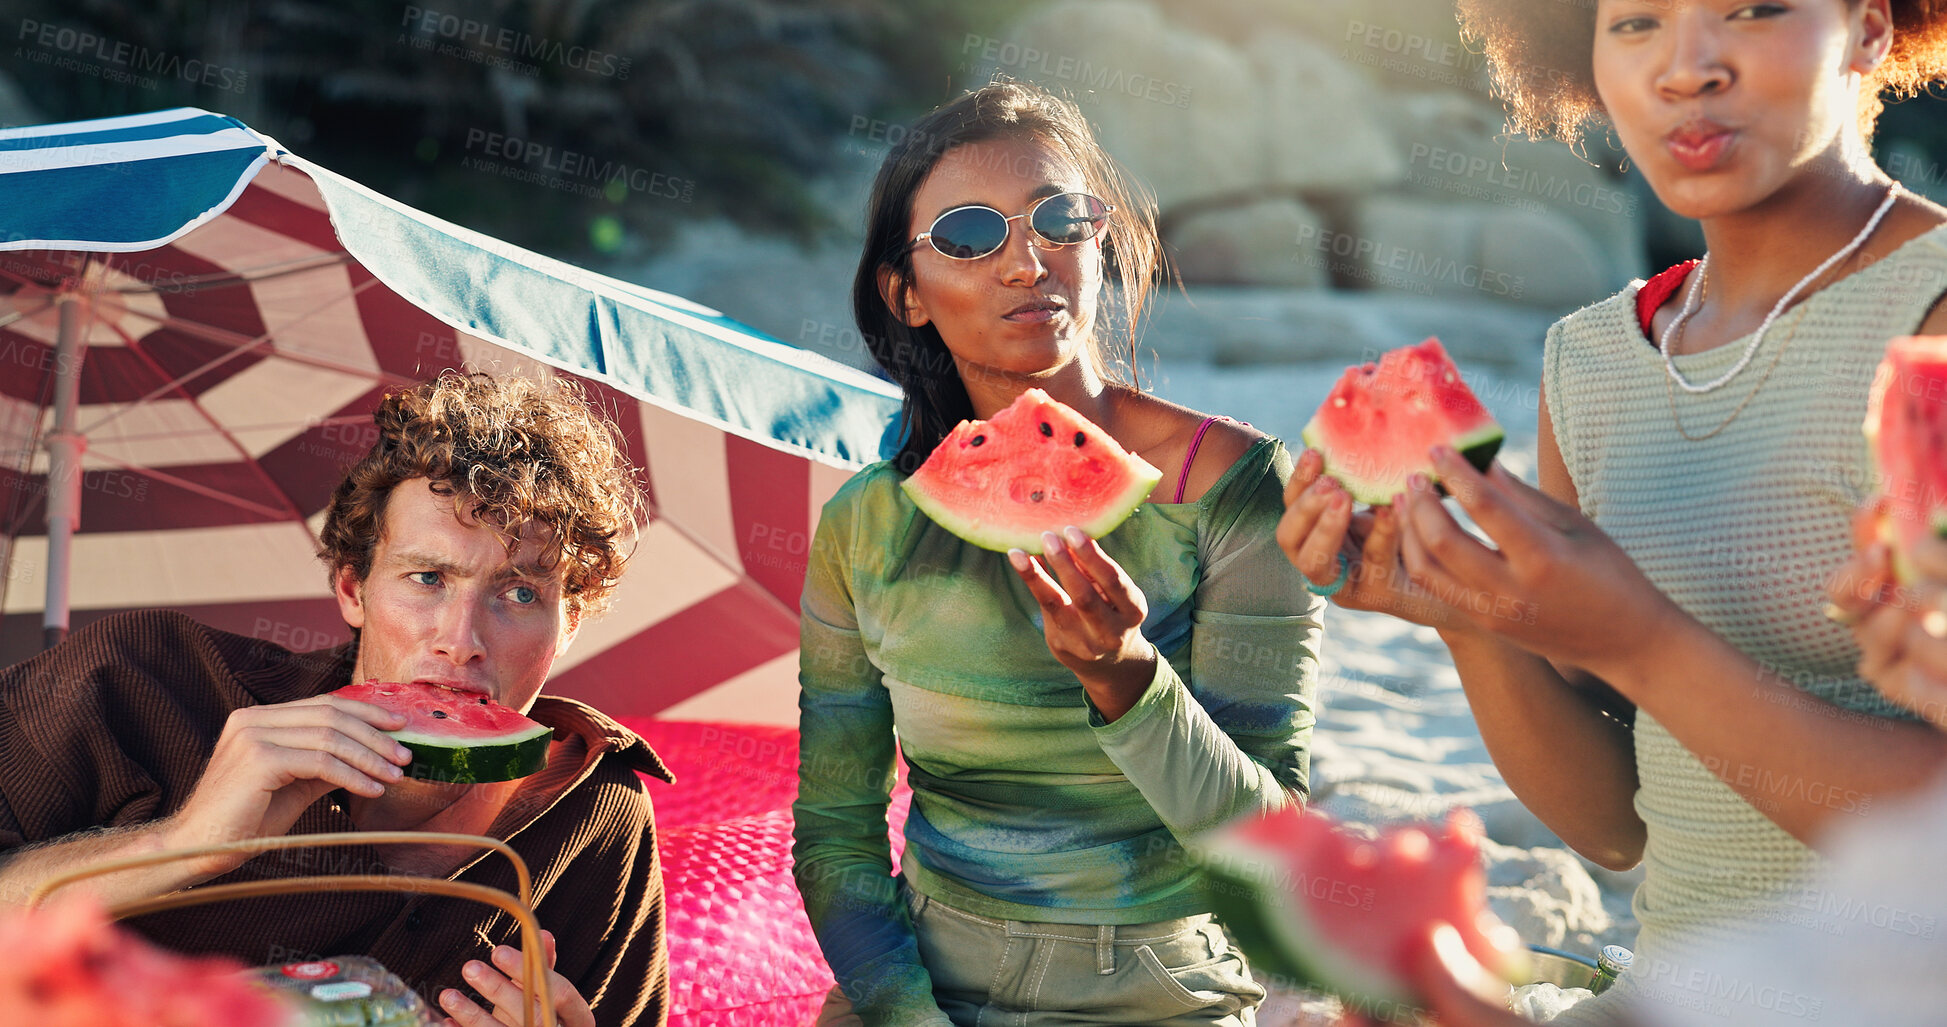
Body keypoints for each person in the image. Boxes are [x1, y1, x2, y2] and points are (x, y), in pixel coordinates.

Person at [1278, 0, 1947, 1021]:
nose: (1685, 69)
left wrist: (1644, 643)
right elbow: (1617, 825)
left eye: (1753, 10)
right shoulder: (1592, 362)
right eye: (1635, 22)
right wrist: (1468, 615)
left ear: (1867, 28)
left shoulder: (1931, 320)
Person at [792, 80, 1322, 1027]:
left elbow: (1269, 847)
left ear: (1098, 240)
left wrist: (1127, 679)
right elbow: (835, 834)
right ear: (903, 293)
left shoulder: (1233, 487)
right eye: (965, 234)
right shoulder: (864, 524)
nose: (1025, 261)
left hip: (1162, 994)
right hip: (922, 984)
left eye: (1059, 218)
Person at [0, 371, 670, 1027]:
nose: (460, 640)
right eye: (427, 576)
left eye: (520, 592)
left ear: (570, 621)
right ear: (353, 589)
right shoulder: (144, 677)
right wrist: (188, 840)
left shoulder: (596, 809)